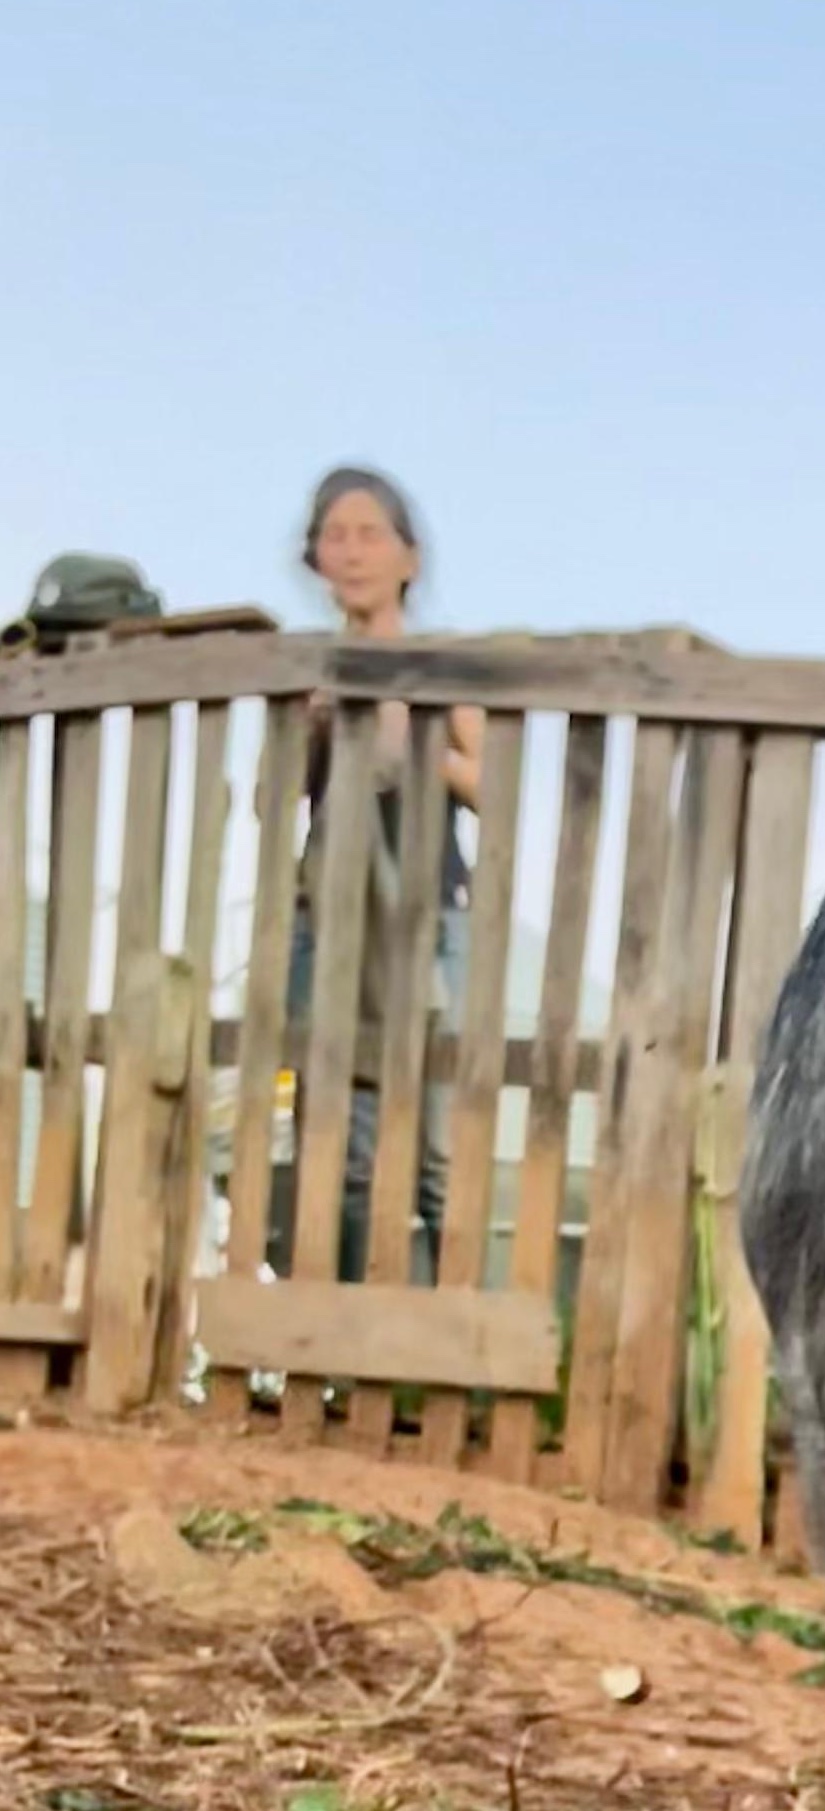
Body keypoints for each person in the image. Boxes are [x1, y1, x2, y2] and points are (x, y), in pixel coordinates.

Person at [274, 465, 483, 1285]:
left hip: (435, 915)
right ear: (315, 560)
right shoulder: (311, 673)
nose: (352, 551)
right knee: (342, 1146)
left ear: (409, 558)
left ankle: (445, 1366)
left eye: (370, 534)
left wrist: (416, 733)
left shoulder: (442, 670)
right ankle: (340, 1347)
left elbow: (491, 787)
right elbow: (274, 802)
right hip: (331, 923)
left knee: (437, 1148)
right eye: (335, 535)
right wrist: (317, 729)